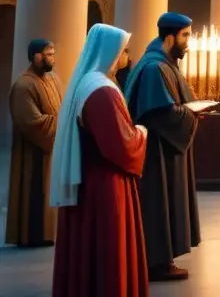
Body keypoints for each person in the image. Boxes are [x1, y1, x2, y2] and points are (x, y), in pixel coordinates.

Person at [51, 24, 149, 297]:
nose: (127, 57)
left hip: (91, 178)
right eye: (124, 51)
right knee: (107, 245)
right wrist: (141, 133)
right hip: (105, 184)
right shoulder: (101, 91)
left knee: (88, 244)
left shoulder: (88, 82)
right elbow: (120, 144)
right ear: (111, 53)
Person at [123, 12, 201, 282]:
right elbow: (160, 113)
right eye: (185, 36)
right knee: (158, 202)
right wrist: (191, 115)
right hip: (157, 152)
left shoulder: (163, 63)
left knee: (163, 201)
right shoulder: (155, 68)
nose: (188, 42)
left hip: (163, 147)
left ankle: (161, 258)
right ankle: (156, 261)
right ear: (169, 38)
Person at [5, 39, 63, 247]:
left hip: (51, 150)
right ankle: (31, 236)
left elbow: (61, 107)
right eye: (48, 54)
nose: (52, 58)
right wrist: (63, 123)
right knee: (33, 190)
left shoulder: (53, 79)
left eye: (53, 54)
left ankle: (47, 234)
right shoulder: (23, 85)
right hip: (32, 152)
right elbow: (32, 122)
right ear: (35, 57)